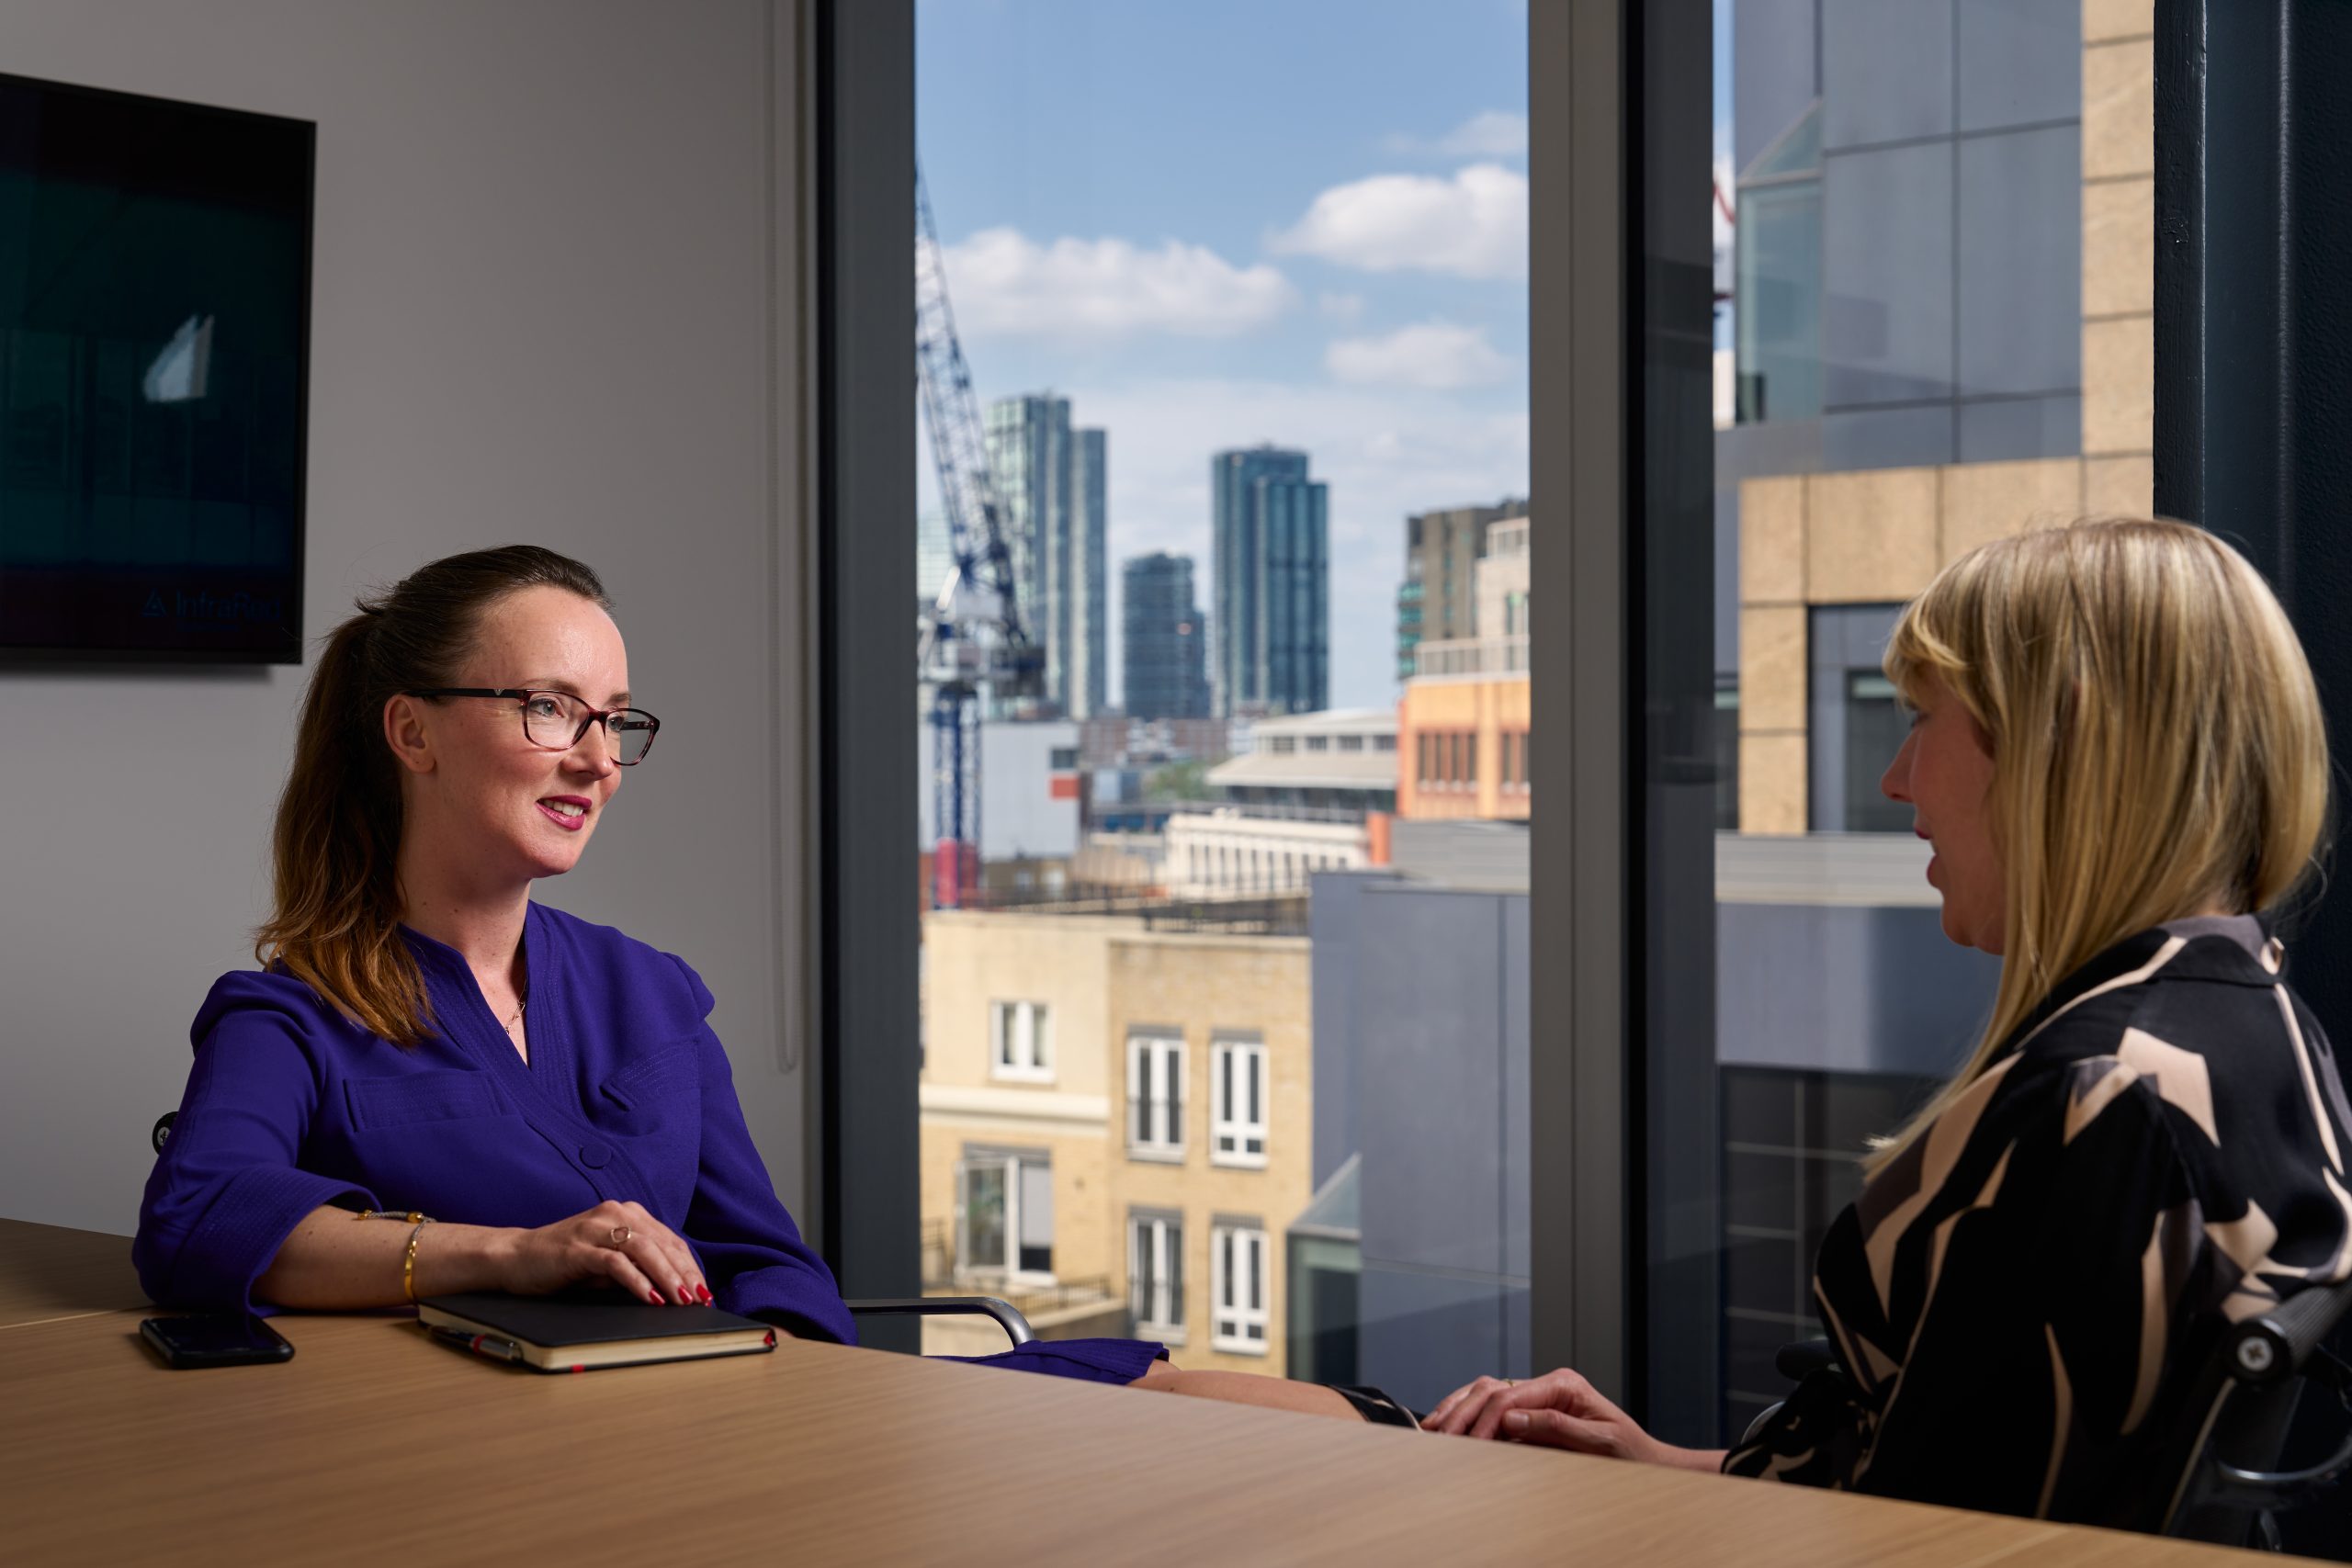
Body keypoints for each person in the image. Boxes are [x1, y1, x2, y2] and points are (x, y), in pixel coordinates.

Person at [134, 545, 1363, 1417]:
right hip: (526, 1462)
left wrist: (797, 1378)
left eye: (616, 718)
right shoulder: (291, 1013)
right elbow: (197, 1223)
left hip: (771, 1412)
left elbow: (770, 1259)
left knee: (1225, 1405)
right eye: (552, 707)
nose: (598, 758)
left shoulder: (650, 990)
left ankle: (1456, 1420)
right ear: (413, 732)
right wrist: (511, 1253)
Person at [1421, 517, 2352, 1528]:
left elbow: (1930, 1540)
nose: (1894, 776)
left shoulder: (2098, 1094)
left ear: (2058, 736)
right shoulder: (2261, 1034)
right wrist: (1653, 1465)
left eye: (1918, 717)